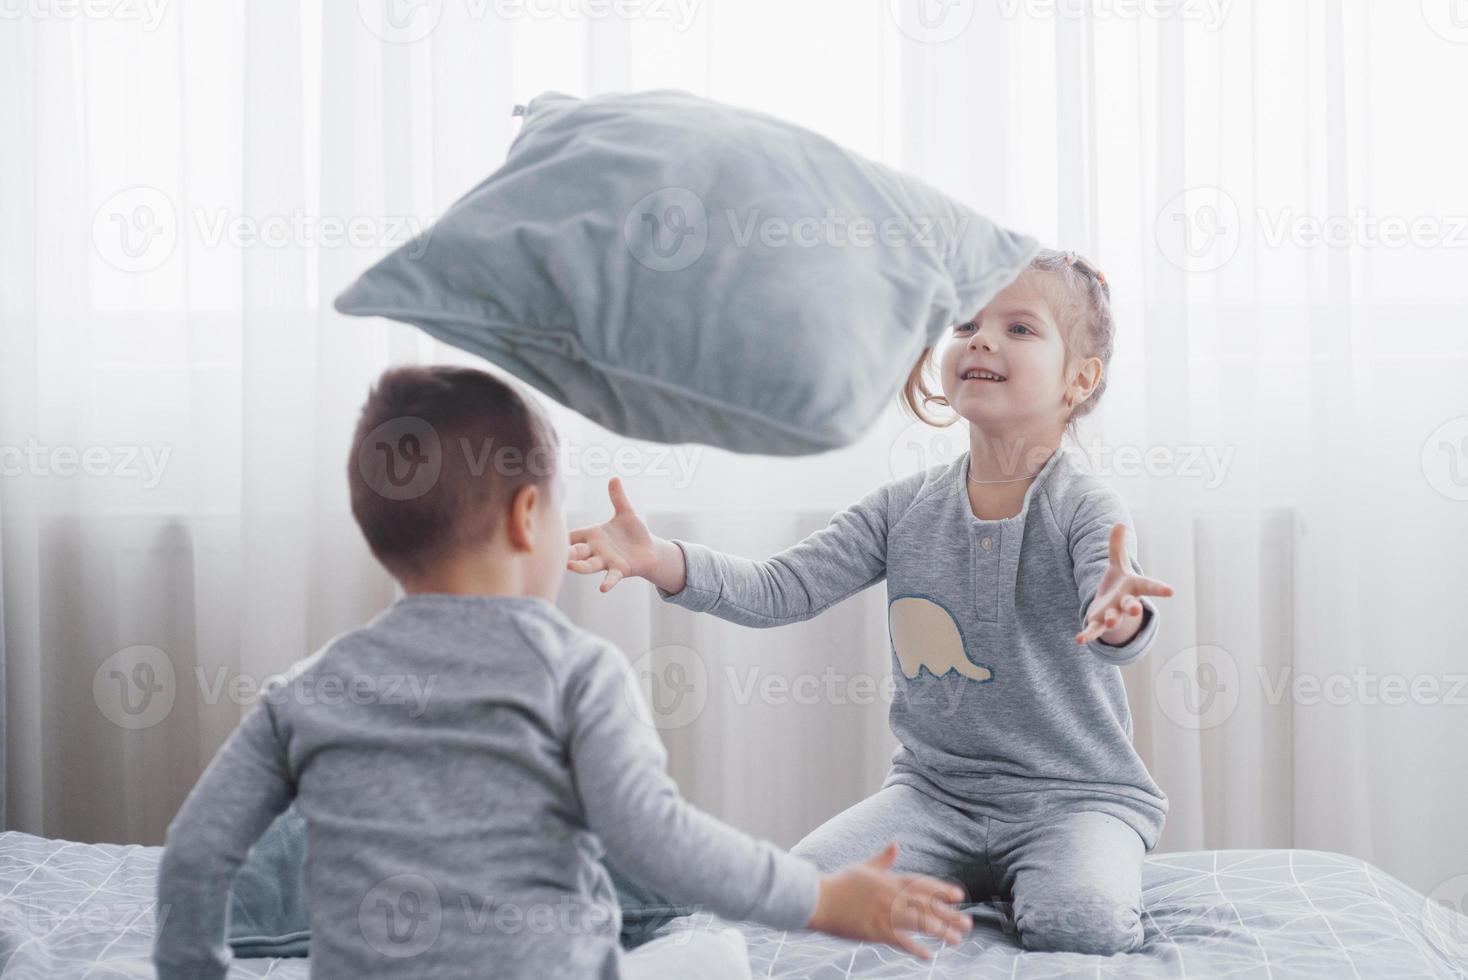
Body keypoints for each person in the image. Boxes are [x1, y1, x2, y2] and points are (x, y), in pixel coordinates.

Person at [152, 365, 970, 980]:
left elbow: (194, 851)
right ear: (526, 516)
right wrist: (821, 896)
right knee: (713, 953)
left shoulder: (306, 690)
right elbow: (658, 840)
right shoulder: (576, 671)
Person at [568, 249, 1175, 955]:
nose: (980, 339)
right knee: (803, 900)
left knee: (1079, 925)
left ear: (1080, 379)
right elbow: (779, 589)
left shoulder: (1088, 506)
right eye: (967, 324)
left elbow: (1116, 604)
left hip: (1075, 799)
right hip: (933, 796)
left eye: (1019, 329)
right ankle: (982, 877)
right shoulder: (903, 508)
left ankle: (1039, 874)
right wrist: (662, 561)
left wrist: (1121, 614)